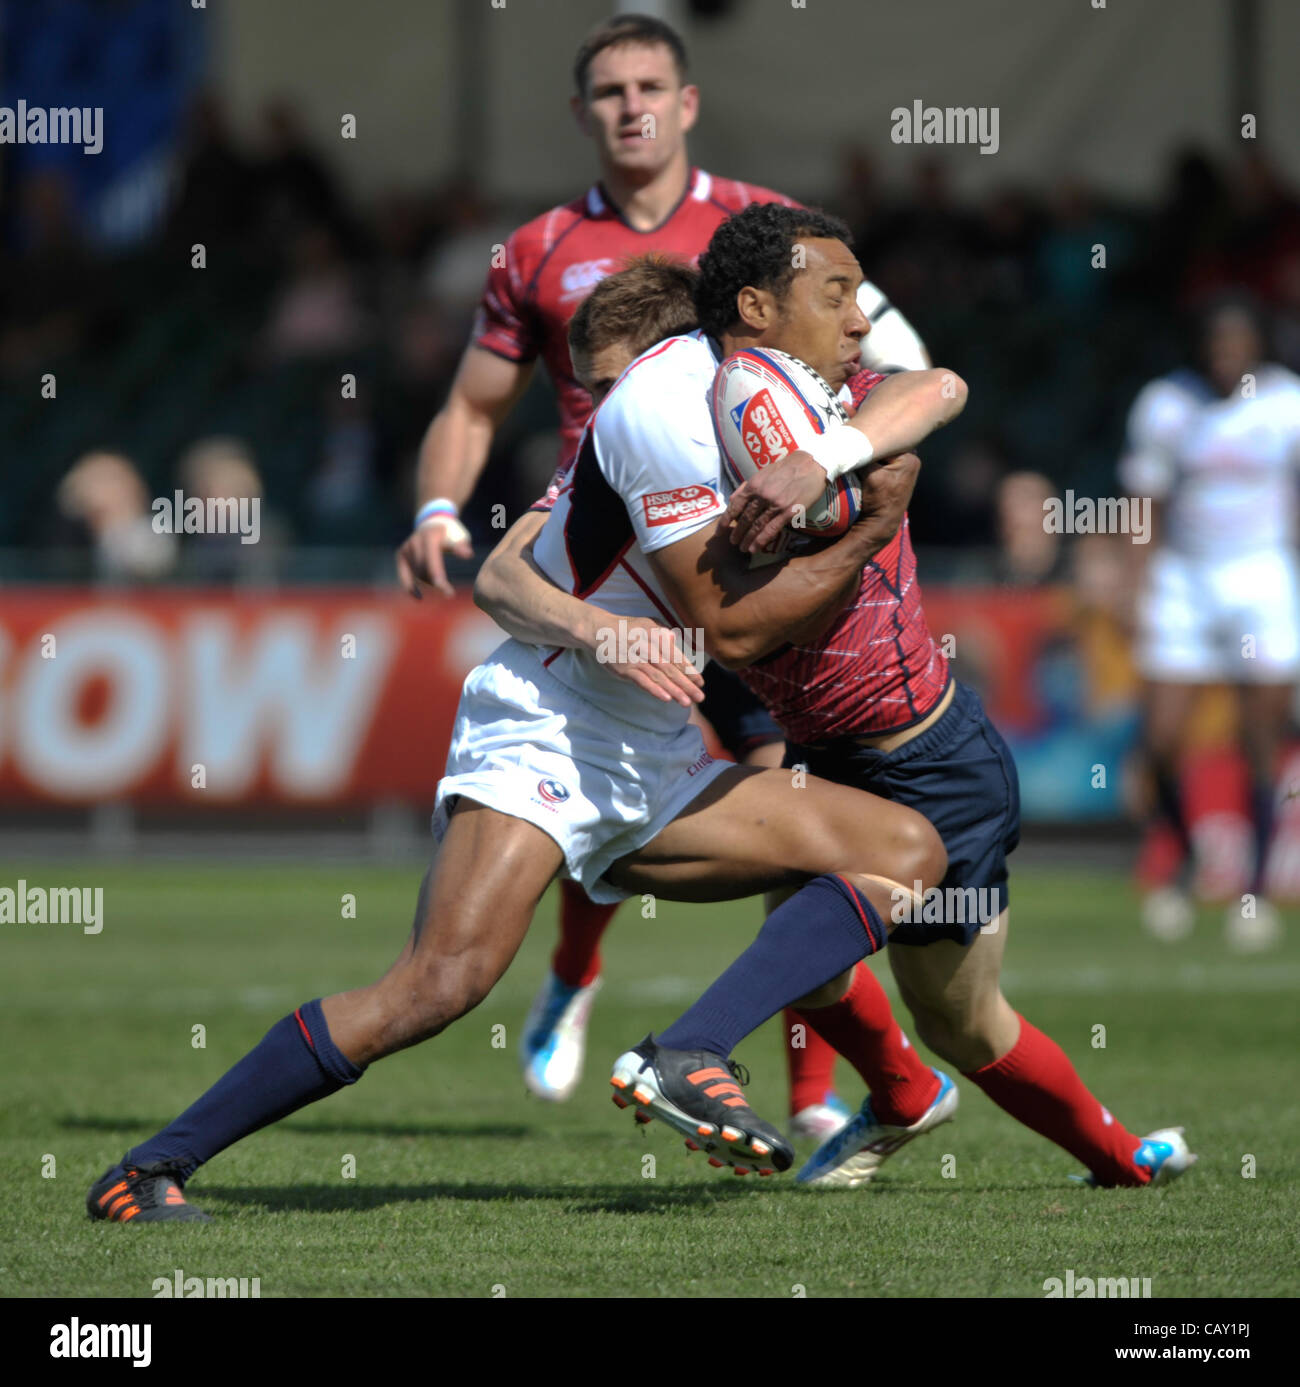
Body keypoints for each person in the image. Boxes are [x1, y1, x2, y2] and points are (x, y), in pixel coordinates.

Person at [84, 275, 962, 1220]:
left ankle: (697, 1052)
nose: (589, 407)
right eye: (581, 386)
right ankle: (145, 1170)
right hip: (547, 730)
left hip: (653, 751)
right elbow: (502, 578)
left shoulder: (745, 417)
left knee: (903, 850)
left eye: (606, 380)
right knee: (439, 984)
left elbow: (934, 387)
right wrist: (603, 629)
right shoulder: (627, 443)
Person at [497, 202, 1195, 1190]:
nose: (860, 319)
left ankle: (1116, 1157)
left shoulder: (839, 409)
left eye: (856, 297)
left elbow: (941, 383)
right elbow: (534, 570)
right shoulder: (660, 452)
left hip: (937, 762)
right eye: (838, 297)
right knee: (807, 952)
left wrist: (818, 462)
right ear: (750, 312)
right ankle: (833, 1083)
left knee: (962, 1016)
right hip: (827, 758)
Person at [398, 11, 927, 1133]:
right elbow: (472, 402)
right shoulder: (536, 249)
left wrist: (855, 442)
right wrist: (440, 507)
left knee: (791, 802)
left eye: (651, 85)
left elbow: (883, 352)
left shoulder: (749, 230)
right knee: (609, 793)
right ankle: (576, 974)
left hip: (745, 550)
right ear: (583, 113)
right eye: (608, 90)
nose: (631, 106)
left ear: (688, 103)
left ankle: (811, 1093)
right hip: (617, 559)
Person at [1121, 294, 1300, 950]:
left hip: (1262, 576)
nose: (1226, 355)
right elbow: (1144, 502)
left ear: (1257, 345)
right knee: (1161, 742)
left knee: (1261, 740)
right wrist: (1135, 588)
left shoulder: (1287, 404)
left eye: (1237, 342)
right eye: (1216, 343)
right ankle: (1189, 855)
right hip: (1184, 581)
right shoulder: (1166, 404)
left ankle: (1252, 891)